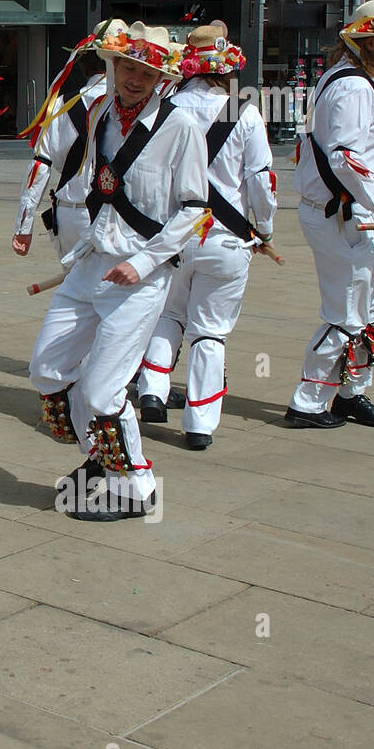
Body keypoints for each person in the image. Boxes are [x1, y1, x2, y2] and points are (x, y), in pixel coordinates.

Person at [28, 24, 208, 521]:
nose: (135, 77)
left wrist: (144, 261)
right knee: (47, 368)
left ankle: (136, 488)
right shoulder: (99, 113)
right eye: (128, 66)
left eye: (146, 71)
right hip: (89, 265)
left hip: (139, 278)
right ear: (112, 66)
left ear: (161, 77)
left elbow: (195, 208)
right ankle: (105, 456)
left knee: (105, 389)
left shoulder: (181, 127)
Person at [285, 0, 374, 430]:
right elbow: (344, 157)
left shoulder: (357, 79)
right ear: (368, 42)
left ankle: (351, 393)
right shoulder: (351, 85)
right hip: (340, 215)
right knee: (346, 312)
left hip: (352, 213)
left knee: (367, 308)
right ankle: (307, 403)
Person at [134, 22, 277, 450]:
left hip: (173, 235)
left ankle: (153, 389)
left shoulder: (163, 105)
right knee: (209, 331)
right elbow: (262, 181)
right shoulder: (243, 108)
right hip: (227, 240)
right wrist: (262, 230)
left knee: (169, 315)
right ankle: (198, 425)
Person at [13, 20, 125, 266]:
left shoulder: (60, 103)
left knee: (74, 291)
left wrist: (24, 224)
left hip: (70, 215)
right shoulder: (129, 107)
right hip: (116, 216)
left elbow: (39, 166)